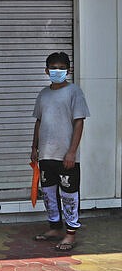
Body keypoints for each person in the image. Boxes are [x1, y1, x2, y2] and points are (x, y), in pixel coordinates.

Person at [31, 52, 90, 252]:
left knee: (69, 195)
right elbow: (39, 122)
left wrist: (72, 152)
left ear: (68, 70)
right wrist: (34, 148)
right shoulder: (43, 94)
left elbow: (79, 122)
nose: (57, 71)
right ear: (46, 70)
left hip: (66, 156)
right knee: (48, 194)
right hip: (46, 155)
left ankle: (70, 234)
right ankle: (55, 228)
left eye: (61, 67)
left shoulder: (74, 92)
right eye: (53, 67)